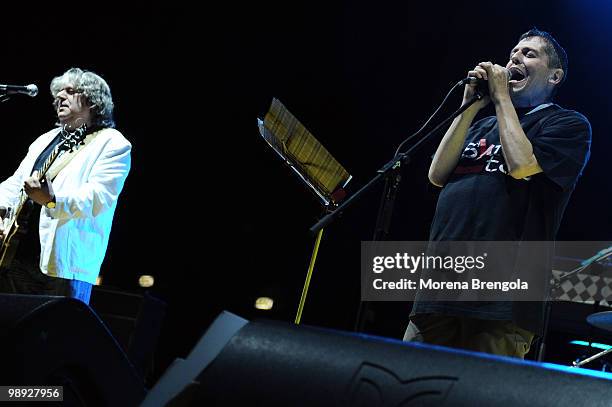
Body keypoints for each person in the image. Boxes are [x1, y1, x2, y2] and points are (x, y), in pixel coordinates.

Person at [403, 29, 591, 358]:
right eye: (513, 52)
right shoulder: (481, 126)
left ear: (555, 76)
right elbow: (436, 174)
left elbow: (521, 165)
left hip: (502, 300)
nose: (515, 58)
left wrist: (502, 96)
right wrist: (469, 107)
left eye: (530, 54)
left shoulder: (567, 124)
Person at [0, 67, 131, 304]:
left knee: (54, 337)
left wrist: (52, 199)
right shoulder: (46, 139)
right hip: (16, 256)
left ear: (92, 100)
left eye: (69, 91)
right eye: (57, 93)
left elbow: (97, 198)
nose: (59, 97)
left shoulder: (112, 144)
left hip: (63, 265)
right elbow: (14, 184)